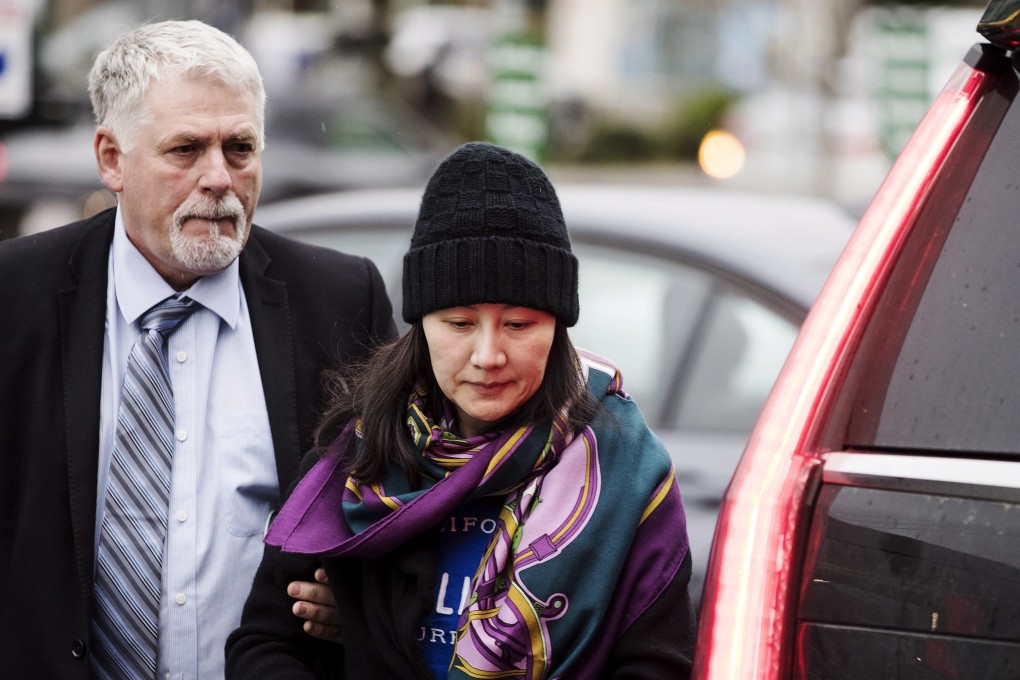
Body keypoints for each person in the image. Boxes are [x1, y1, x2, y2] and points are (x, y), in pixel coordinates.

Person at [0, 20, 394, 680]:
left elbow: (399, 508)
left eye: (239, 148)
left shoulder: (339, 298)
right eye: (186, 149)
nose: (219, 177)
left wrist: (358, 600)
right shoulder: (15, 296)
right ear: (111, 158)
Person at [225, 142, 696, 678]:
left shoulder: (627, 474)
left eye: (519, 324)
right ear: (421, 323)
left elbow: (658, 665)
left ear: (559, 326)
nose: (488, 355)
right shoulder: (359, 460)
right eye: (459, 323)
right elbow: (263, 644)